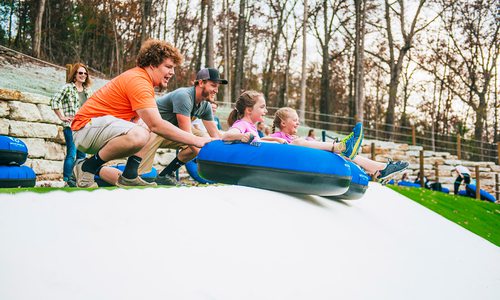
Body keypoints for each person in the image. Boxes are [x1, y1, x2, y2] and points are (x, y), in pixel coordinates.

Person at [71, 39, 212, 188]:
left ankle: (130, 175)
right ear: (152, 64)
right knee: (143, 132)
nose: (172, 72)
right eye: (168, 67)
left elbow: (152, 125)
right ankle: (87, 167)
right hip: (84, 128)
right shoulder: (138, 80)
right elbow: (157, 125)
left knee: (147, 125)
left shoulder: (144, 81)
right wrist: (195, 140)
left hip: (100, 130)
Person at [136, 67, 226, 185]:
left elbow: (215, 136)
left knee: (203, 138)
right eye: (213, 85)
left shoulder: (206, 106)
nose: (216, 90)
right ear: (201, 82)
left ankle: (165, 174)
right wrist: (205, 159)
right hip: (151, 130)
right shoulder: (184, 96)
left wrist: (224, 155)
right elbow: (188, 135)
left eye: (218, 86)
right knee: (142, 177)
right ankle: (126, 171)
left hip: (172, 133)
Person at [270, 107, 409, 181]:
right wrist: (279, 140)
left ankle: (380, 168)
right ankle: (341, 146)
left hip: (311, 156)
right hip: (294, 162)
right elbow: (263, 142)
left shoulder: (296, 137)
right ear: (283, 123)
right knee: (299, 142)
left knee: (345, 153)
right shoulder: (277, 137)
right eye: (294, 120)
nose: (298, 123)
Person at [222, 92, 363, 161]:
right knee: (296, 142)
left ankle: (344, 148)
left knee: (299, 142)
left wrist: (276, 141)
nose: (265, 111)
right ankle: (340, 147)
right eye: (262, 107)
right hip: (262, 159)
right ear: (248, 110)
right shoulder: (242, 124)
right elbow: (227, 135)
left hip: (267, 154)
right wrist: (242, 136)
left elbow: (258, 141)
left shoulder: (251, 127)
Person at [50, 63, 91, 187]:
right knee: (72, 153)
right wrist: (62, 117)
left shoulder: (88, 91)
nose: (83, 75)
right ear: (74, 75)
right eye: (80, 73)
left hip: (85, 127)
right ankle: (67, 180)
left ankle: (78, 179)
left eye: (85, 73)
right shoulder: (67, 88)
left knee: (82, 155)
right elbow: (54, 101)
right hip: (71, 126)